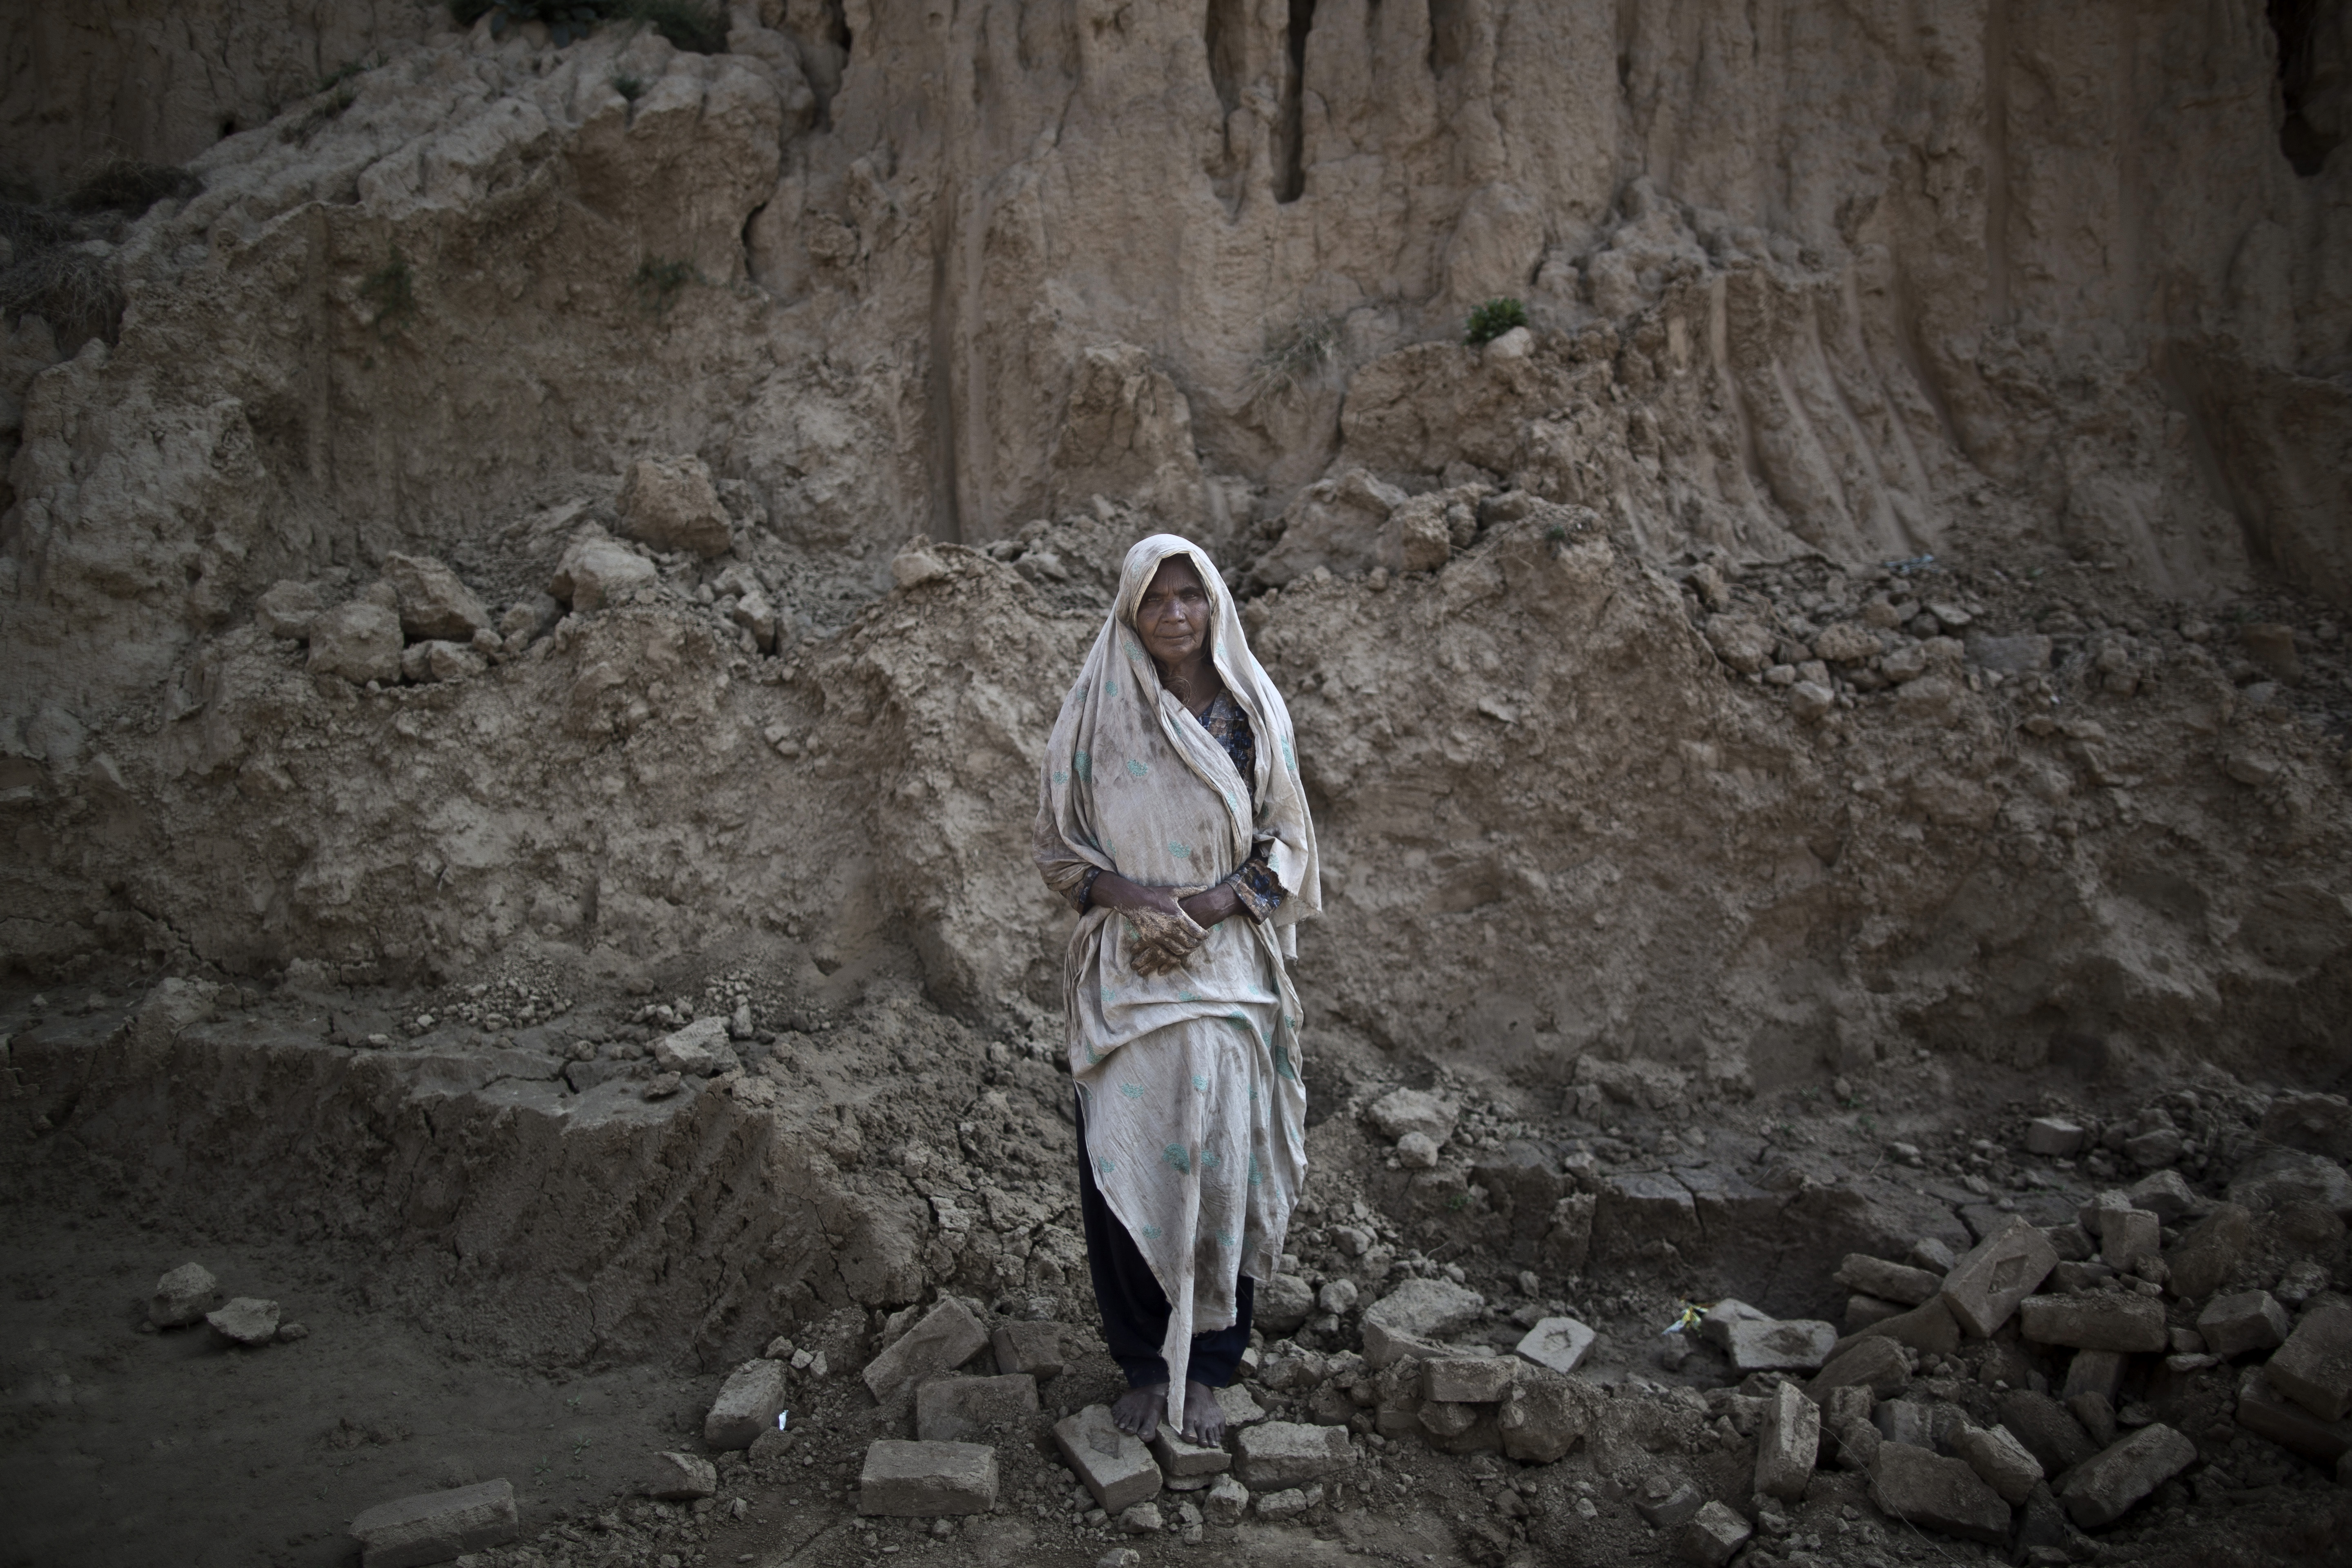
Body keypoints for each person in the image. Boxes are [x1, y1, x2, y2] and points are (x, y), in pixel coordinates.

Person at [1032, 533, 1321, 1445]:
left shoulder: (1251, 707)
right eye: (1156, 600)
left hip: (1227, 965)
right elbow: (1059, 851)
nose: (1176, 615)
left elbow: (1286, 842)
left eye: (1191, 597)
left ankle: (1208, 1366)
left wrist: (1204, 907)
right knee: (1124, 1167)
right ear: (1130, 611)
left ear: (1215, 606)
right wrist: (1134, 902)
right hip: (1128, 970)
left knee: (1221, 1168)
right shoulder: (1097, 712)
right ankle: (1143, 1363)